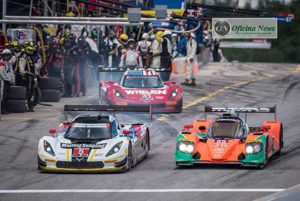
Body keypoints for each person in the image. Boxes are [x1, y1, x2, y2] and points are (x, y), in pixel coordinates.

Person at [16, 44, 37, 111]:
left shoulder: (31, 57)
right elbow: (21, 69)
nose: (31, 51)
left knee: (31, 91)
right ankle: (25, 106)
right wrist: (26, 73)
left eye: (32, 50)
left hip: (31, 76)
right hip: (26, 77)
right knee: (26, 91)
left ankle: (29, 105)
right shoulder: (23, 57)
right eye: (30, 50)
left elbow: (34, 67)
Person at [0, 49, 15, 114]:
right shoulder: (1, 63)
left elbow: (11, 73)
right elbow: (2, 73)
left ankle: (4, 108)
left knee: (6, 95)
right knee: (2, 96)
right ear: (3, 56)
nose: (7, 57)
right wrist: (9, 80)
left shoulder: (9, 63)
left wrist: (12, 81)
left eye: (8, 56)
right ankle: (2, 109)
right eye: (5, 56)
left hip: (8, 82)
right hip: (2, 82)